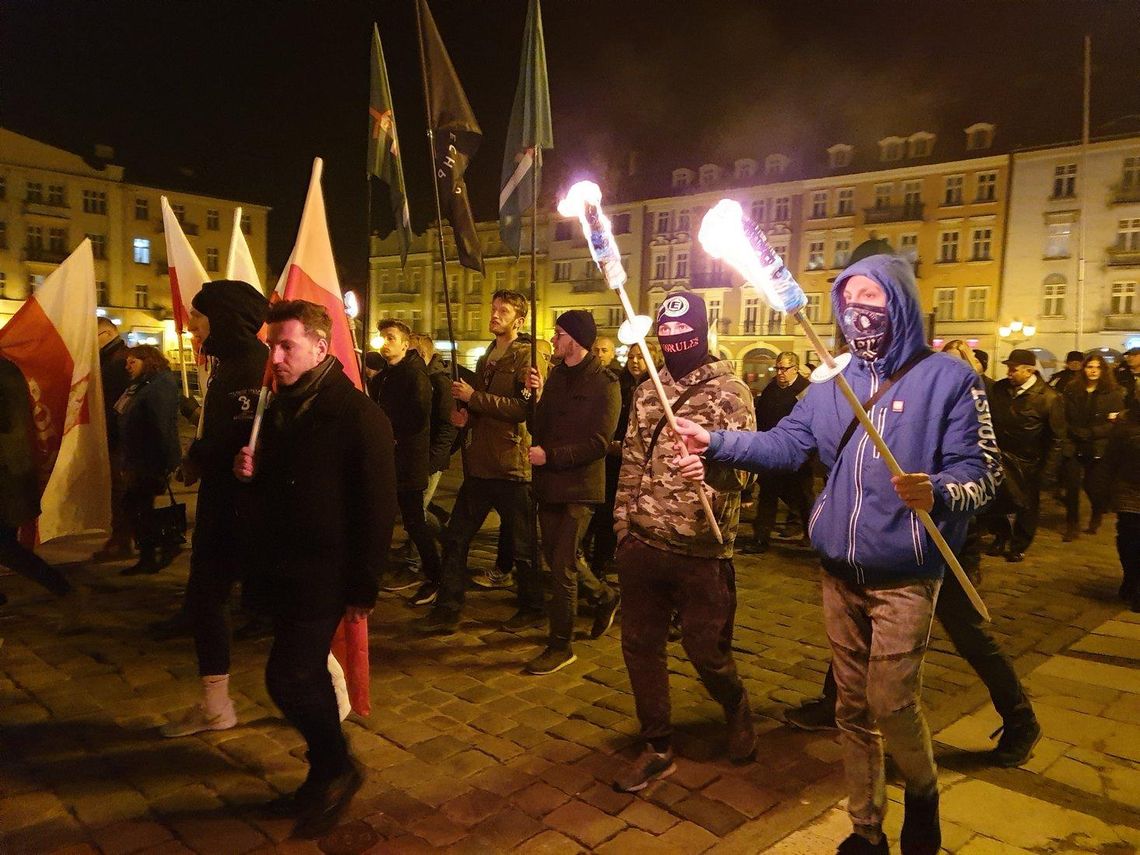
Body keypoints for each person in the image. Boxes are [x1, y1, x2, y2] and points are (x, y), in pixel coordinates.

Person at [676, 255, 1001, 855]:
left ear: (899, 302)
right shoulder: (831, 379)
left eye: (871, 297)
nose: (859, 311)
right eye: (848, 299)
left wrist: (940, 491)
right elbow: (785, 445)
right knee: (851, 706)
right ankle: (866, 829)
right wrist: (716, 440)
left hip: (907, 573)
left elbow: (983, 473)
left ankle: (923, 792)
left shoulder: (950, 379)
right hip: (838, 569)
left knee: (891, 700)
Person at [785, 338, 1042, 770]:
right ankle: (835, 702)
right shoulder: (878, 387)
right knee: (859, 620)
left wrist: (938, 491)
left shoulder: (959, 396)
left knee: (970, 635)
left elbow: (976, 471)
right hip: (888, 538)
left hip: (944, 543)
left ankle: (1020, 719)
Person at [234, 300, 396, 839]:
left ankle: (339, 766)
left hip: (327, 570)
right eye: (272, 347)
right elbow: (280, 490)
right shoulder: (281, 407)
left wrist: (364, 585)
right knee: (300, 675)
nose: (275, 357)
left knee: (288, 675)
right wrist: (249, 471)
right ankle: (326, 771)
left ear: (321, 348)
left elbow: (377, 507)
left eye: (287, 346)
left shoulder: (357, 415)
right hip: (285, 566)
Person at [611, 291, 758, 794]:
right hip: (645, 541)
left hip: (702, 546)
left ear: (701, 335)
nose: (674, 347)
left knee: (705, 649)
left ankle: (735, 705)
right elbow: (631, 459)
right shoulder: (648, 388)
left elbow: (748, 476)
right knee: (640, 646)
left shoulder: (730, 393)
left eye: (684, 338)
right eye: (666, 339)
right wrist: (622, 525)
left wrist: (713, 465)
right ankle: (656, 745)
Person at [157, 279, 270, 737]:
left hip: (245, 507)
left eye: (199, 318)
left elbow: (244, 440)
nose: (190, 328)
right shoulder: (229, 366)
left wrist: (202, 457)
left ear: (223, 319)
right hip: (226, 501)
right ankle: (215, 702)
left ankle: (218, 707)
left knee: (230, 598)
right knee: (237, 599)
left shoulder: (253, 367)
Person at [414, 290, 542, 634]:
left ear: (519, 319)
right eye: (494, 307)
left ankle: (532, 605)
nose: (495, 314)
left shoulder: (526, 356)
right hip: (479, 464)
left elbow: (521, 408)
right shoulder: (488, 354)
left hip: (511, 465)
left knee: (522, 544)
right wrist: (466, 416)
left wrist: (475, 398)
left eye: (503, 310)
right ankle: (448, 605)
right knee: (456, 538)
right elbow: (482, 408)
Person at [524, 310, 621, 675]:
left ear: (576, 338)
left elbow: (599, 442)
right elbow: (539, 426)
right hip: (550, 484)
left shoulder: (605, 383)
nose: (553, 338)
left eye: (559, 333)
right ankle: (604, 595)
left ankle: (560, 645)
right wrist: (534, 395)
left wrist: (551, 455)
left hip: (581, 487)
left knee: (562, 566)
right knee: (557, 556)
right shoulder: (556, 377)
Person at [0, 355, 81, 625]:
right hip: (10, 471)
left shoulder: (4, 372)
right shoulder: (7, 368)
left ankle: (63, 589)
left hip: (6, 474)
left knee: (5, 546)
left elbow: (9, 423)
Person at [374, 319, 441, 606]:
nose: (385, 342)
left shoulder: (415, 374)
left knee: (414, 520)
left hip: (408, 460)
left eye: (391, 337)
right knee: (387, 517)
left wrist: (392, 434)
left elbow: (419, 415)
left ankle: (435, 575)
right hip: (388, 459)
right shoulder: (383, 377)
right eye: (382, 337)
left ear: (405, 343)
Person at [987, 349, 1065, 562]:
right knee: (997, 501)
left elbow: (1056, 438)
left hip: (1029, 463)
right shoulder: (1000, 389)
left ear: (1030, 370)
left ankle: (1020, 543)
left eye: (1014, 369)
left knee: (1027, 506)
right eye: (1008, 368)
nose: (1009, 373)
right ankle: (1000, 537)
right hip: (999, 457)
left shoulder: (1049, 397)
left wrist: (1048, 472)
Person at [115, 345, 182, 576]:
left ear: (148, 360)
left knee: (136, 505)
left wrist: (168, 461)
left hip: (149, 458)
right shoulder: (142, 385)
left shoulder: (159, 385)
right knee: (137, 506)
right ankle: (151, 554)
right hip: (138, 457)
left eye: (133, 362)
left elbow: (162, 426)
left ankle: (162, 546)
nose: (127, 366)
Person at [740, 351, 814, 554]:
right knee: (767, 495)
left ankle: (812, 536)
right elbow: (762, 416)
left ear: (795, 369)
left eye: (784, 369)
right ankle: (760, 539)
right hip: (772, 450)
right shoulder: (771, 388)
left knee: (803, 498)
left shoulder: (806, 391)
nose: (780, 373)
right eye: (778, 368)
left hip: (798, 453)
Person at [587, 344, 649, 579]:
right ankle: (601, 562)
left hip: (641, 461)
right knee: (607, 512)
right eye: (631, 357)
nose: (634, 361)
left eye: (641, 357)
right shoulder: (618, 383)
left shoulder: (655, 387)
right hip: (614, 459)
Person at [1059, 353, 1125, 541]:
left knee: (1093, 486)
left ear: (1103, 370)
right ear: (1083, 369)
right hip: (1074, 443)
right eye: (1090, 367)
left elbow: (1114, 422)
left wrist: (1093, 432)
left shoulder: (1113, 392)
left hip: (1097, 446)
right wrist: (1072, 432)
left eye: (1097, 367)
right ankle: (1072, 525)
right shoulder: (1072, 389)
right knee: (1071, 487)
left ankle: (1096, 513)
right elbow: (1063, 415)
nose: (1093, 370)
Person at [91, 317, 134, 561]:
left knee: (121, 491)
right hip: (117, 436)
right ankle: (122, 539)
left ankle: (122, 541)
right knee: (119, 492)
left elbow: (115, 403)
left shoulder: (118, 361)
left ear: (106, 334)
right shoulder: (112, 358)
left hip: (119, 438)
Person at [1105, 393, 1140, 612]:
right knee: (1129, 537)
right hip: (1130, 487)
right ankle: (1131, 578)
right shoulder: (1126, 421)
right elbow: (1112, 456)